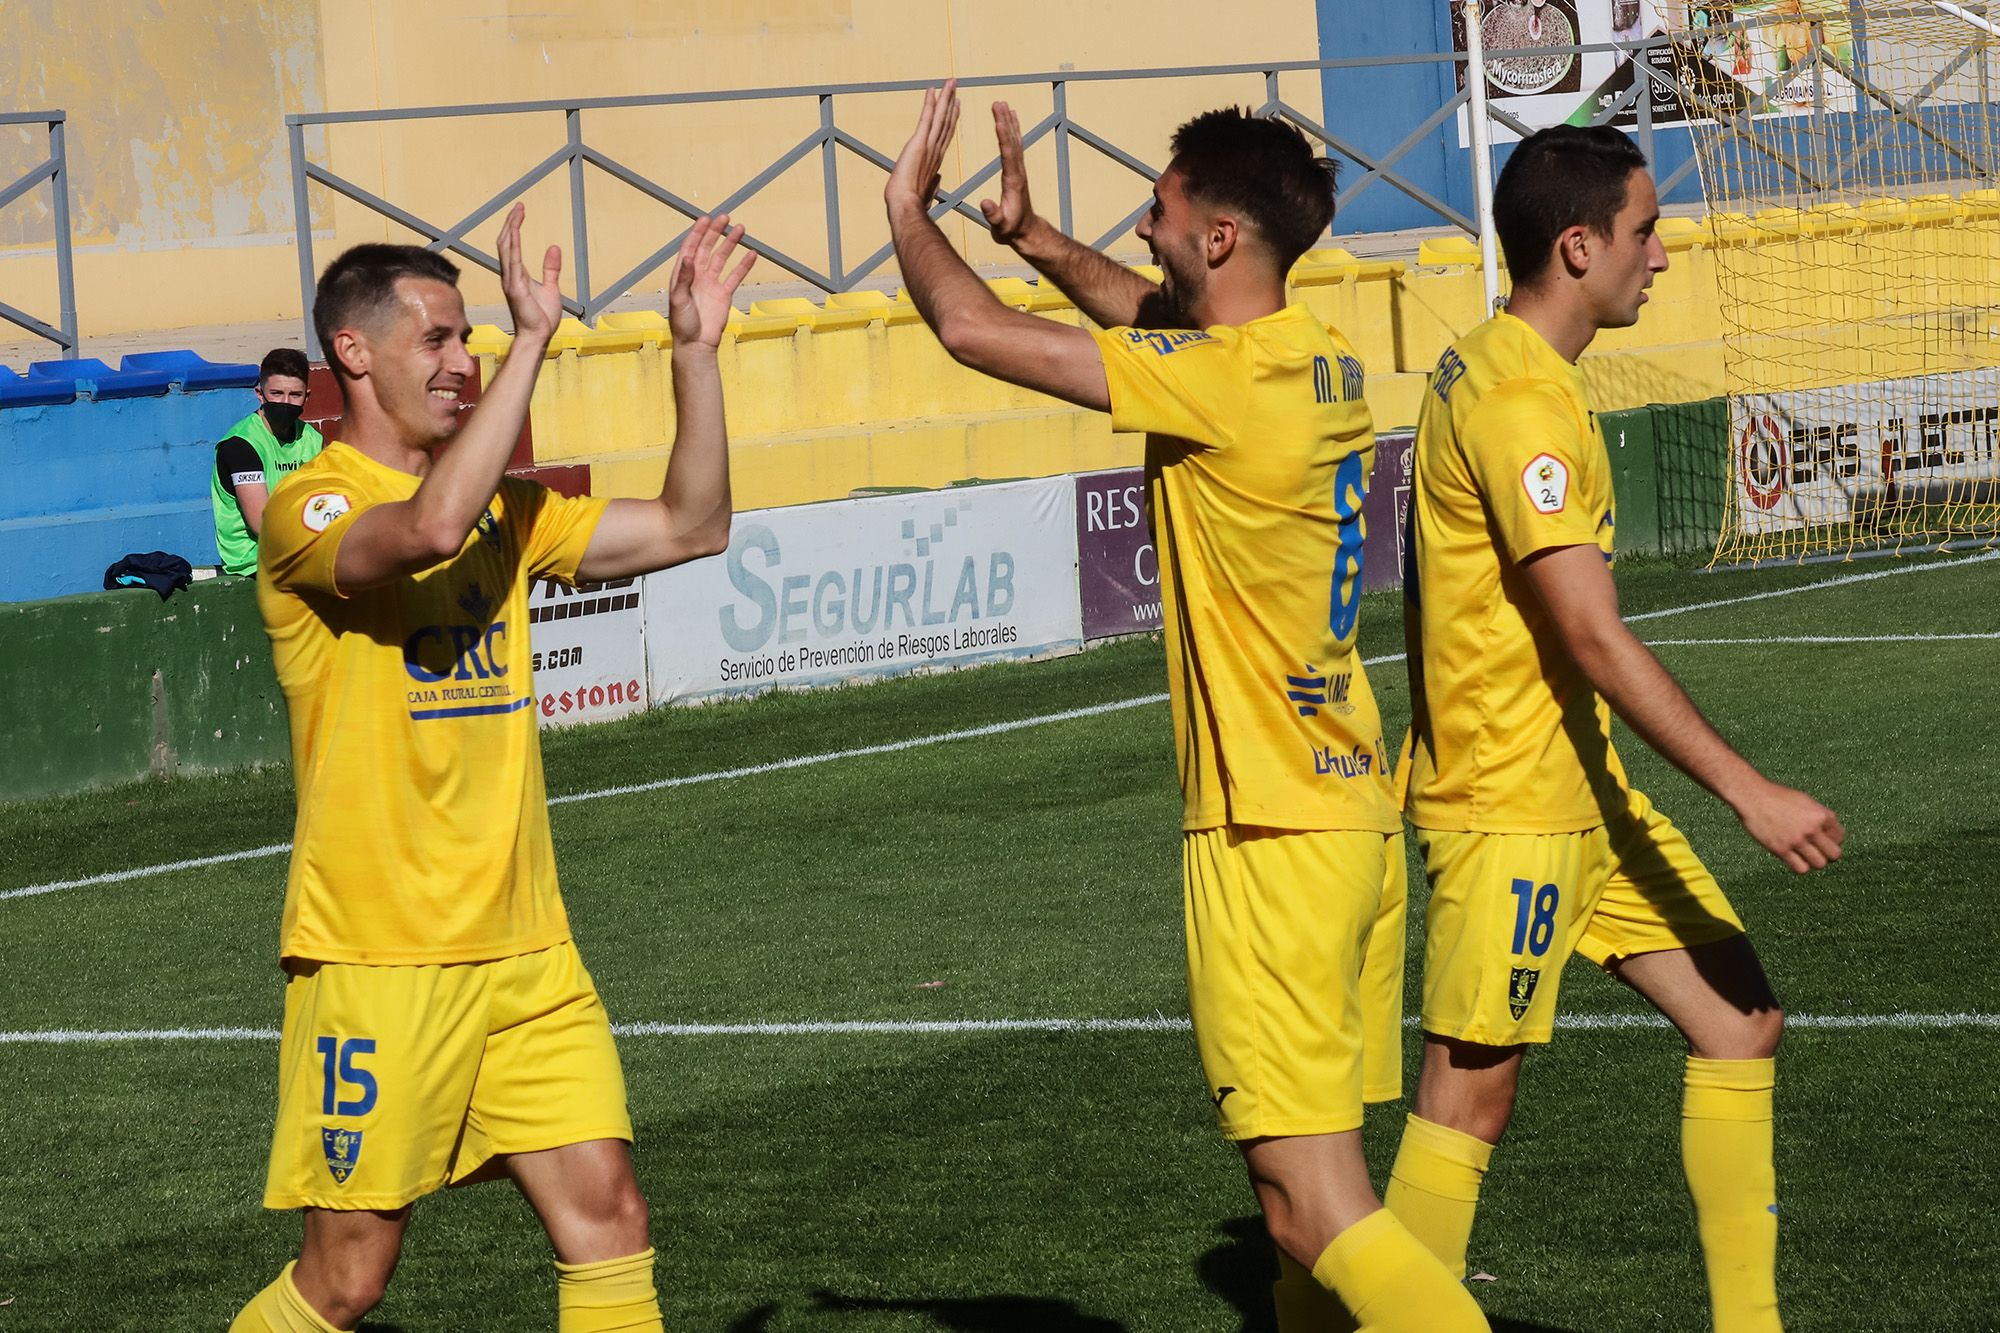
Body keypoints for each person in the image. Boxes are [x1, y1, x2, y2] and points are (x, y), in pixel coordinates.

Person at [885, 84, 1487, 1332]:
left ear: (1219, 237)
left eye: (1159, 212)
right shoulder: (1310, 358)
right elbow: (1161, 325)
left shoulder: (1217, 382)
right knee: (1294, 1210)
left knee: (1315, 1212)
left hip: (1266, 836)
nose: (1146, 231)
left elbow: (968, 332)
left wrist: (909, 210)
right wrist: (1037, 239)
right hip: (1347, 820)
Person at [227, 203, 754, 1332]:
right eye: (440, 339)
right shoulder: (311, 505)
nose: (462, 362)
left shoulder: (506, 514)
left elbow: (692, 524)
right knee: (348, 1279)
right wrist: (532, 342)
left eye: (470, 339)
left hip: (527, 950)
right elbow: (420, 530)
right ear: (353, 354)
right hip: (379, 954)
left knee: (608, 1214)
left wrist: (695, 357)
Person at [1389, 124, 1844, 1333]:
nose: (1661, 250)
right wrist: (1749, 790)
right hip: (1509, 804)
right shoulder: (1523, 407)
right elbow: (1589, 634)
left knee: (1737, 1017)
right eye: (1644, 230)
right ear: (1576, 245)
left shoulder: (1499, 364)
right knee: (1463, 1104)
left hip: (1576, 788)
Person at [212, 348, 323, 577]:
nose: (285, 402)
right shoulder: (241, 445)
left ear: (307, 397)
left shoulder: (312, 439)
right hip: (253, 563)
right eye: (276, 393)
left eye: (295, 395)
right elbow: (263, 525)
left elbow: (320, 502)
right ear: (259, 394)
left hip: (301, 552)